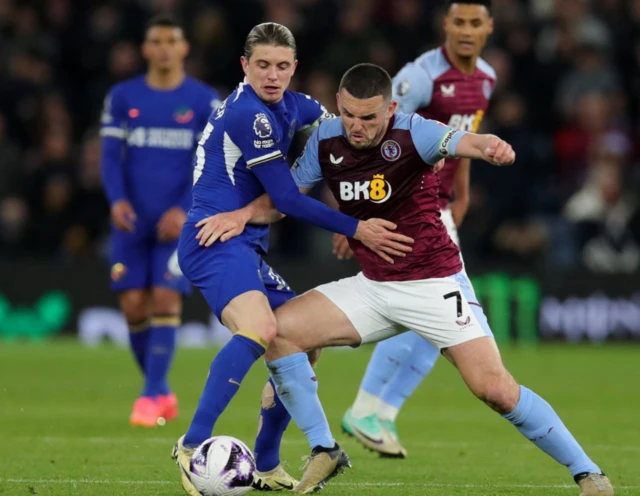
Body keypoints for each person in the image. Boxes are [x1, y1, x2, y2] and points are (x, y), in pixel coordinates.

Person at [220, 63, 613, 496]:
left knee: (495, 390)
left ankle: (588, 473)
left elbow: (464, 141)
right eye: (349, 113)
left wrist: (490, 146)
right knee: (280, 334)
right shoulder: (326, 138)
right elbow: (285, 199)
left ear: (390, 109)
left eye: (369, 117)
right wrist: (239, 216)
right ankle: (324, 449)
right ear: (338, 104)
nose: (356, 126)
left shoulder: (415, 132)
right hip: (372, 286)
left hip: (435, 285)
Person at [170, 24, 413, 496]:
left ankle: (264, 461)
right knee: (261, 330)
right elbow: (286, 197)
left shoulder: (299, 106)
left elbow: (343, 141)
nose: (273, 74)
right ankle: (191, 442)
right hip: (213, 238)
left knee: (303, 340)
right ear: (245, 66)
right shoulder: (248, 114)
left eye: (282, 66)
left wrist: (418, 156)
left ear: (294, 68)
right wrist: (355, 226)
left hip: (247, 242)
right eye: (262, 64)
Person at [339, 0, 497, 458]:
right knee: (452, 321)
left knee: (443, 323)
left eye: (475, 23)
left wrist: (461, 193)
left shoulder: (485, 77)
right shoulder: (421, 77)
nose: (466, 30)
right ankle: (370, 410)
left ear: (488, 28)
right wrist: (360, 215)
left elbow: (462, 137)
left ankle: (376, 412)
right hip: (406, 209)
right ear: (445, 25)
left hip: (439, 208)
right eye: (459, 22)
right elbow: (374, 136)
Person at [100, 15, 221, 428]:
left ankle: (150, 396)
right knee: (134, 306)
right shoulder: (122, 96)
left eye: (173, 40)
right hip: (132, 221)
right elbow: (108, 157)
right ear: (146, 49)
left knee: (167, 298)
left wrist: (187, 207)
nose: (165, 47)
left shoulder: (205, 101)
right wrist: (116, 201)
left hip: (179, 221)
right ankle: (161, 389)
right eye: (157, 40)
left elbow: (210, 163)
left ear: (184, 48)